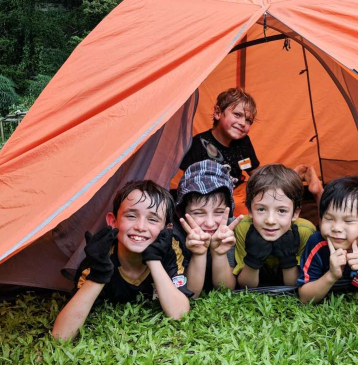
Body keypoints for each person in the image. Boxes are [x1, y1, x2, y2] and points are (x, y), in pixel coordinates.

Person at [52, 180, 192, 340]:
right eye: (131, 216)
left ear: (166, 230)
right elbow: (60, 336)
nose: (140, 226)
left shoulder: (171, 247)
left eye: (152, 220)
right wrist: (99, 274)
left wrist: (153, 259)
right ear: (113, 221)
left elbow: (179, 315)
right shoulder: (101, 255)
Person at [298, 176, 358, 304]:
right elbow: (305, 298)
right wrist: (331, 275)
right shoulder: (317, 243)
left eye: (348, 221)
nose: (336, 228)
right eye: (329, 219)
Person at [234, 164, 316, 288]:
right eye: (261, 209)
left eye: (282, 211)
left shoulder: (305, 231)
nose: (270, 220)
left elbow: (295, 285)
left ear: (295, 213)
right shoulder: (243, 227)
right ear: (250, 211)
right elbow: (246, 286)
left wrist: (288, 259)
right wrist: (253, 259)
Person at [175, 160, 243, 296]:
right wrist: (198, 254)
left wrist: (219, 253)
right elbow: (190, 294)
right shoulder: (174, 234)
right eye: (199, 213)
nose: (210, 223)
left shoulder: (231, 229)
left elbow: (225, 291)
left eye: (218, 212)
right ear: (183, 212)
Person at [180, 87, 259, 189]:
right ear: (218, 113)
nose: (243, 123)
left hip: (235, 195)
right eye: (237, 115)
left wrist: (273, 178)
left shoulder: (243, 142)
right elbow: (189, 181)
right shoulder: (197, 144)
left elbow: (253, 171)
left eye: (248, 120)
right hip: (207, 197)